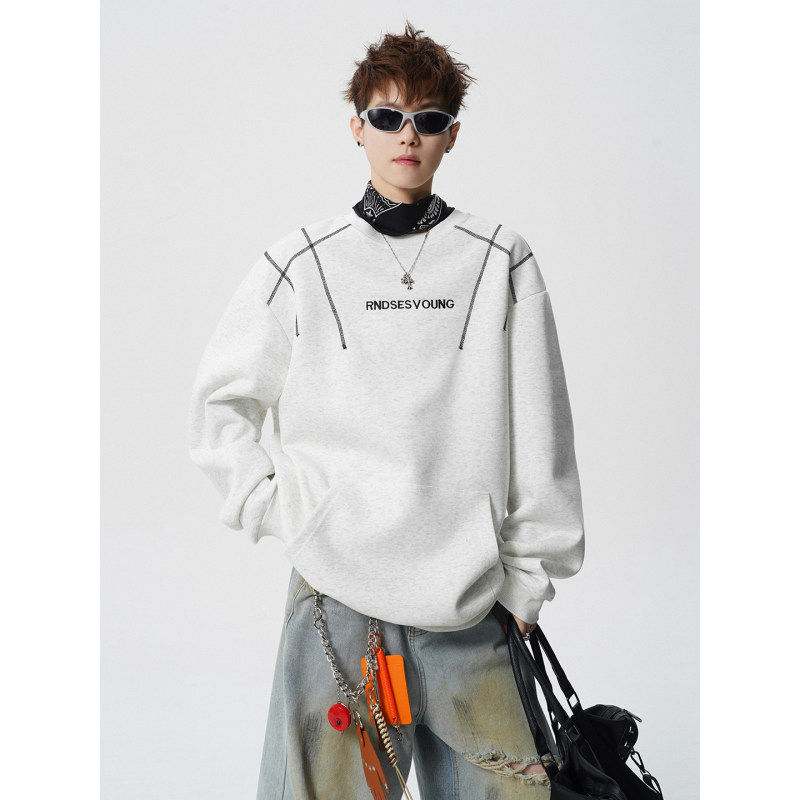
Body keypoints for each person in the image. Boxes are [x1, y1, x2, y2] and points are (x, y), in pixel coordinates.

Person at [189, 20, 585, 800]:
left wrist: (526, 585)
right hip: (336, 608)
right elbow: (220, 404)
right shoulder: (303, 263)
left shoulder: (499, 261)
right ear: (357, 127)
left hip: (470, 609)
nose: (408, 134)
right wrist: (284, 512)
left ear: (452, 135)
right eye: (387, 116)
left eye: (429, 119)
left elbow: (543, 432)